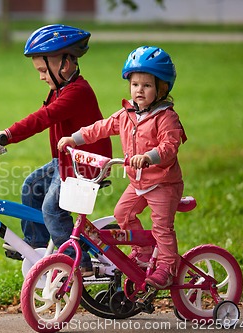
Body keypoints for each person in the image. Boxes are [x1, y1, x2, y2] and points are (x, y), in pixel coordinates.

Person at [0, 24, 112, 276]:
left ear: (65, 65)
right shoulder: (61, 88)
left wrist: (7, 135)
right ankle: (38, 246)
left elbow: (43, 118)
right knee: (30, 186)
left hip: (85, 165)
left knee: (52, 209)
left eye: (44, 70)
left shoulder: (77, 92)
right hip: (65, 162)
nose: (41, 76)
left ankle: (76, 260)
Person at [58, 45, 187, 288]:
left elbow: (170, 146)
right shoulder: (127, 114)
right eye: (135, 84)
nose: (140, 90)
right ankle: (143, 251)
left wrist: (149, 156)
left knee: (162, 227)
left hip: (163, 183)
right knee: (122, 214)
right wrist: (74, 138)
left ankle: (168, 268)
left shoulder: (166, 117)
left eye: (147, 85)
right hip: (138, 182)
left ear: (162, 88)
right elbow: (101, 127)